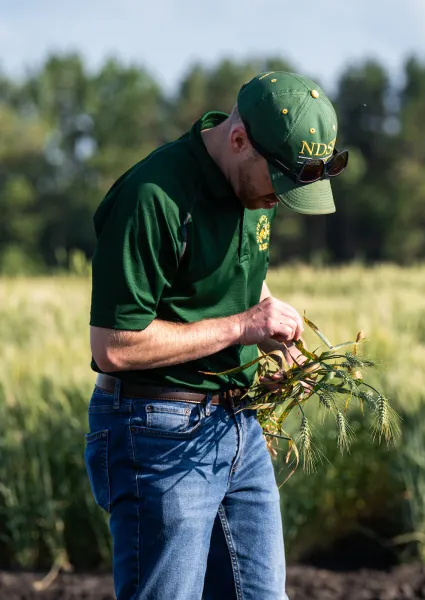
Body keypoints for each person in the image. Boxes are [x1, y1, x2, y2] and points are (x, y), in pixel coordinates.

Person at [82, 71, 348, 600]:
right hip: (157, 432)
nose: (281, 201)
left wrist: (272, 333)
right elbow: (112, 346)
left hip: (239, 424)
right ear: (238, 140)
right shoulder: (151, 198)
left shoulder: (251, 190)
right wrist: (242, 327)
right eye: (280, 183)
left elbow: (244, 275)